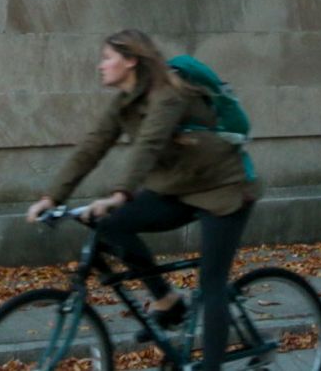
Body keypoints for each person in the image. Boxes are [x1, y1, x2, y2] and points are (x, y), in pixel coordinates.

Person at [28, 29, 261, 368]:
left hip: (223, 191)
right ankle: (167, 300)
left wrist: (120, 194)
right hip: (177, 188)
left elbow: (148, 145)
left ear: (131, 61)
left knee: (212, 285)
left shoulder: (169, 95)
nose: (100, 65)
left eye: (107, 58)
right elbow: (92, 147)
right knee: (109, 225)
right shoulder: (125, 102)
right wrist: (52, 197)